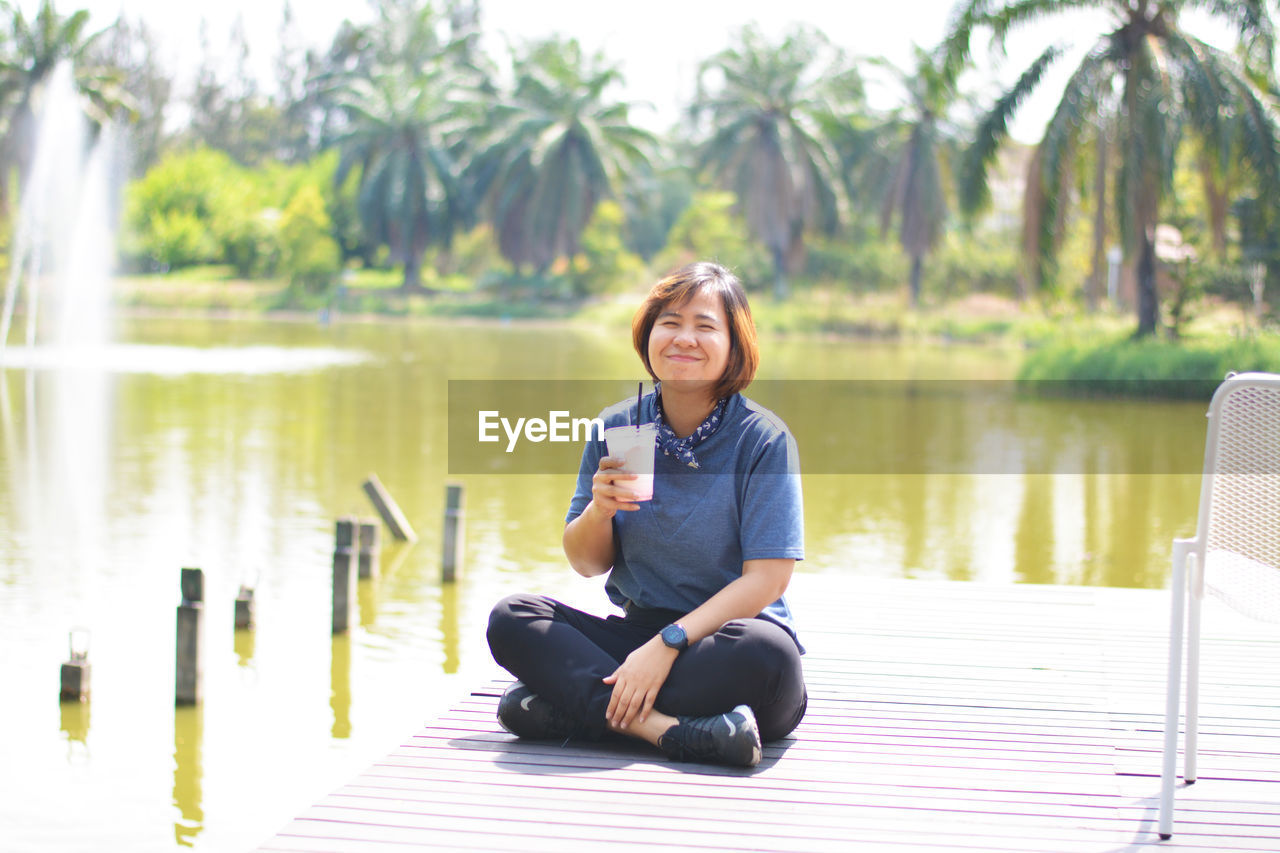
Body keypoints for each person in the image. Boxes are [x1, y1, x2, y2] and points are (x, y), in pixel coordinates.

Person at [486, 261, 806, 767]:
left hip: (723, 643)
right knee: (513, 618)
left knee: (768, 655)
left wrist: (668, 644)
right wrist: (600, 510)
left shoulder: (762, 440)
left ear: (734, 345)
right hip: (635, 636)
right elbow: (587, 563)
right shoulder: (617, 427)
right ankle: (670, 732)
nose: (684, 338)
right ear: (649, 333)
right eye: (670, 323)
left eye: (705, 326)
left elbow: (768, 580)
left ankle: (574, 711)